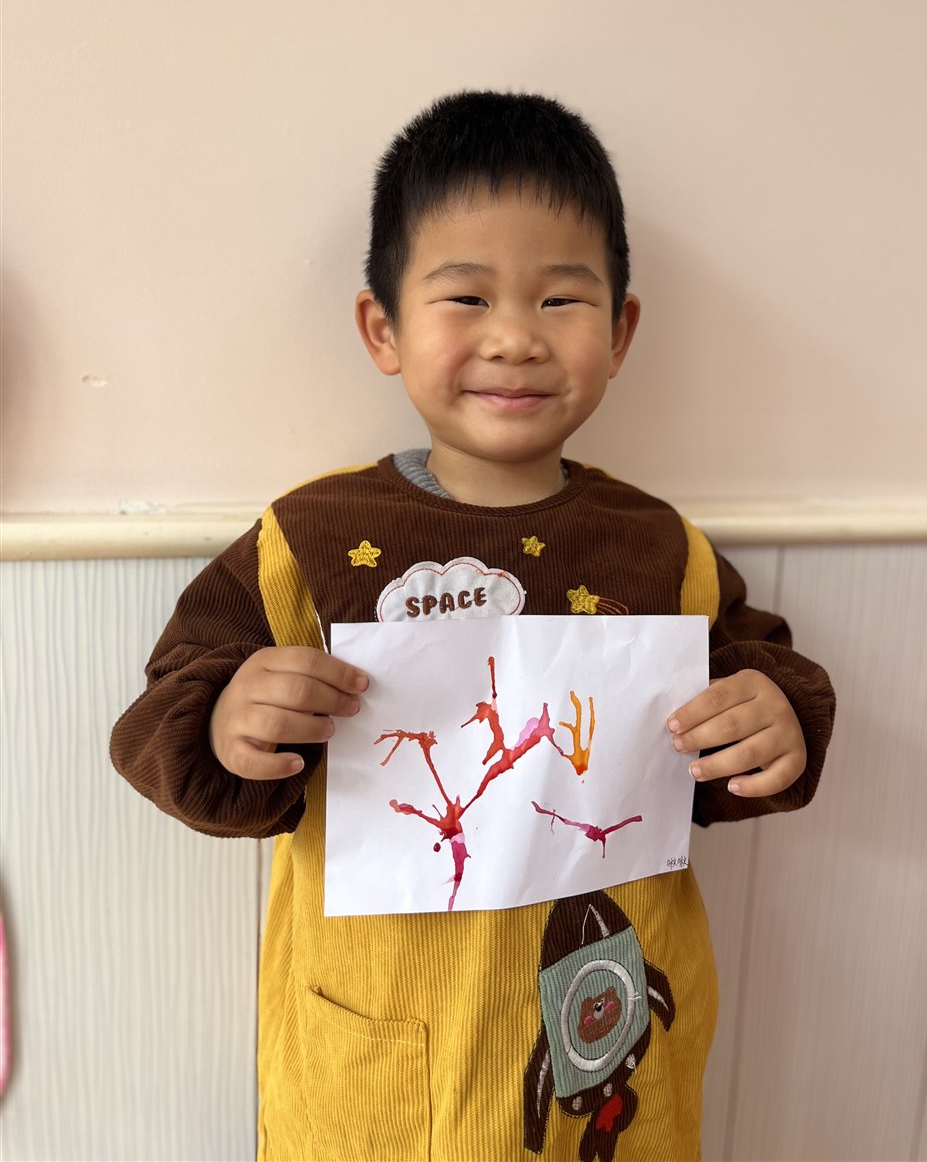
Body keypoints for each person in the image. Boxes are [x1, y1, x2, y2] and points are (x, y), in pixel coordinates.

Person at [110, 91, 835, 1162]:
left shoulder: (661, 550)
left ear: (620, 331)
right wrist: (223, 722)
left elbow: (740, 724)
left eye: (560, 299)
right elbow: (164, 716)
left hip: (609, 1073)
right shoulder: (310, 540)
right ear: (383, 328)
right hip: (381, 1077)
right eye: (466, 296)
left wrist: (776, 721)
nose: (514, 337)